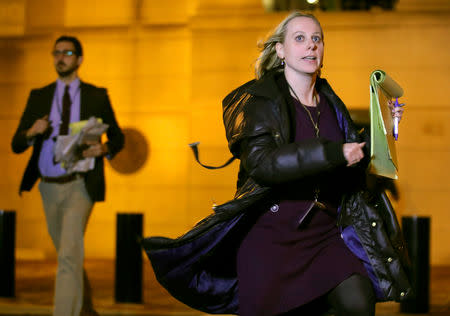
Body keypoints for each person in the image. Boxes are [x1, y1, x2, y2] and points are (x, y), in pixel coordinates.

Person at [142, 11, 411, 316]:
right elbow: (262, 163)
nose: (311, 45)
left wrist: (383, 132)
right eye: (300, 39)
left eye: (316, 39)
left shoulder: (330, 101)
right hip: (272, 237)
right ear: (281, 50)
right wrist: (333, 153)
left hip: (325, 236)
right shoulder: (260, 100)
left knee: (358, 303)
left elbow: (352, 161)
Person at [11, 35, 124, 316]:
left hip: (80, 185)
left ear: (79, 59)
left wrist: (103, 148)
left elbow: (119, 138)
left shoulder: (96, 95)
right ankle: (85, 307)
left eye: (67, 52)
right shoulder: (39, 96)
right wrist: (31, 132)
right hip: (47, 187)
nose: (60, 57)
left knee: (69, 255)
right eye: (56, 53)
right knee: (68, 254)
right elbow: (16, 144)